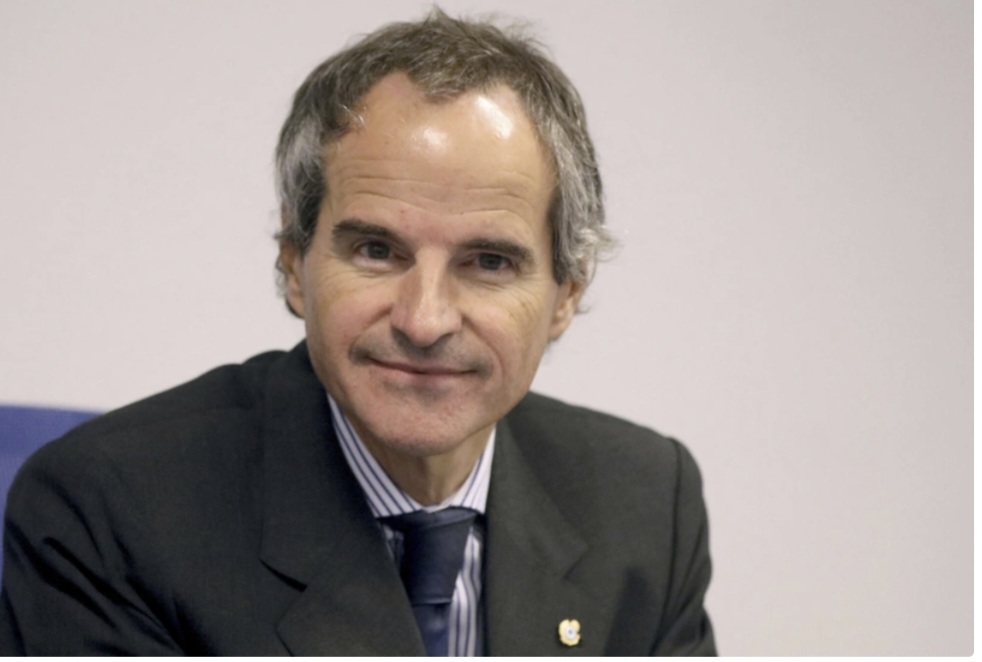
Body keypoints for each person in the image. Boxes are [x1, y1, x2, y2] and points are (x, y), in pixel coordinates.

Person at [0, 9, 715, 656]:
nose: (425, 320)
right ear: (294, 265)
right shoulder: (111, 513)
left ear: (566, 294)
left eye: (489, 262)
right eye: (377, 251)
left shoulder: (647, 504)